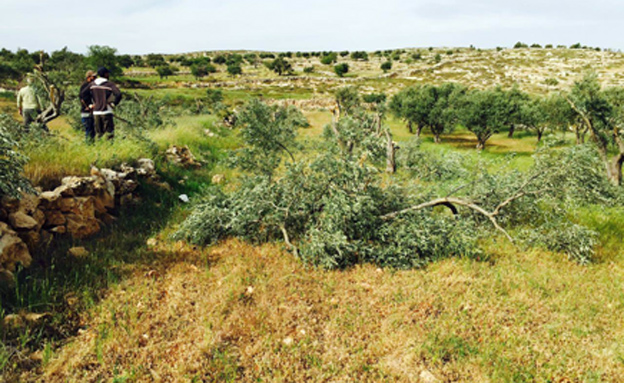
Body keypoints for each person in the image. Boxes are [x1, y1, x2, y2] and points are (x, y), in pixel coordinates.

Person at [81, 67, 122, 140]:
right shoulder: (109, 84)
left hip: (96, 112)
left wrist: (90, 105)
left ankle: (100, 148)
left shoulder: (93, 84)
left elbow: (83, 94)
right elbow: (118, 94)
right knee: (109, 134)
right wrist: (114, 104)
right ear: (106, 74)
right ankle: (108, 149)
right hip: (106, 111)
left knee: (99, 134)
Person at [79, 70, 96, 141]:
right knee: (89, 131)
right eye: (94, 77)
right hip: (87, 112)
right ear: (89, 77)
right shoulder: (86, 85)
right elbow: (82, 97)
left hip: (89, 112)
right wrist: (89, 106)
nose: (95, 78)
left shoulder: (88, 85)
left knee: (92, 132)